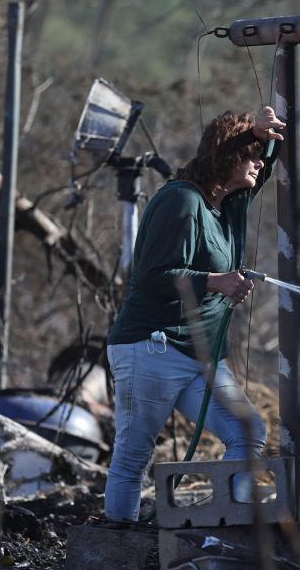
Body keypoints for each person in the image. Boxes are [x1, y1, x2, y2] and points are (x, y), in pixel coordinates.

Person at [103, 106, 286, 523]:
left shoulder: (231, 204)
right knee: (134, 455)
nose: (259, 161)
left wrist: (263, 135)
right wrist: (216, 281)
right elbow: (152, 275)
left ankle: (238, 524)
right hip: (152, 346)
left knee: (247, 431)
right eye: (250, 153)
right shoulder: (181, 200)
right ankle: (114, 546)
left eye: (260, 154)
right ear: (227, 156)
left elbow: (266, 163)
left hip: (199, 357)